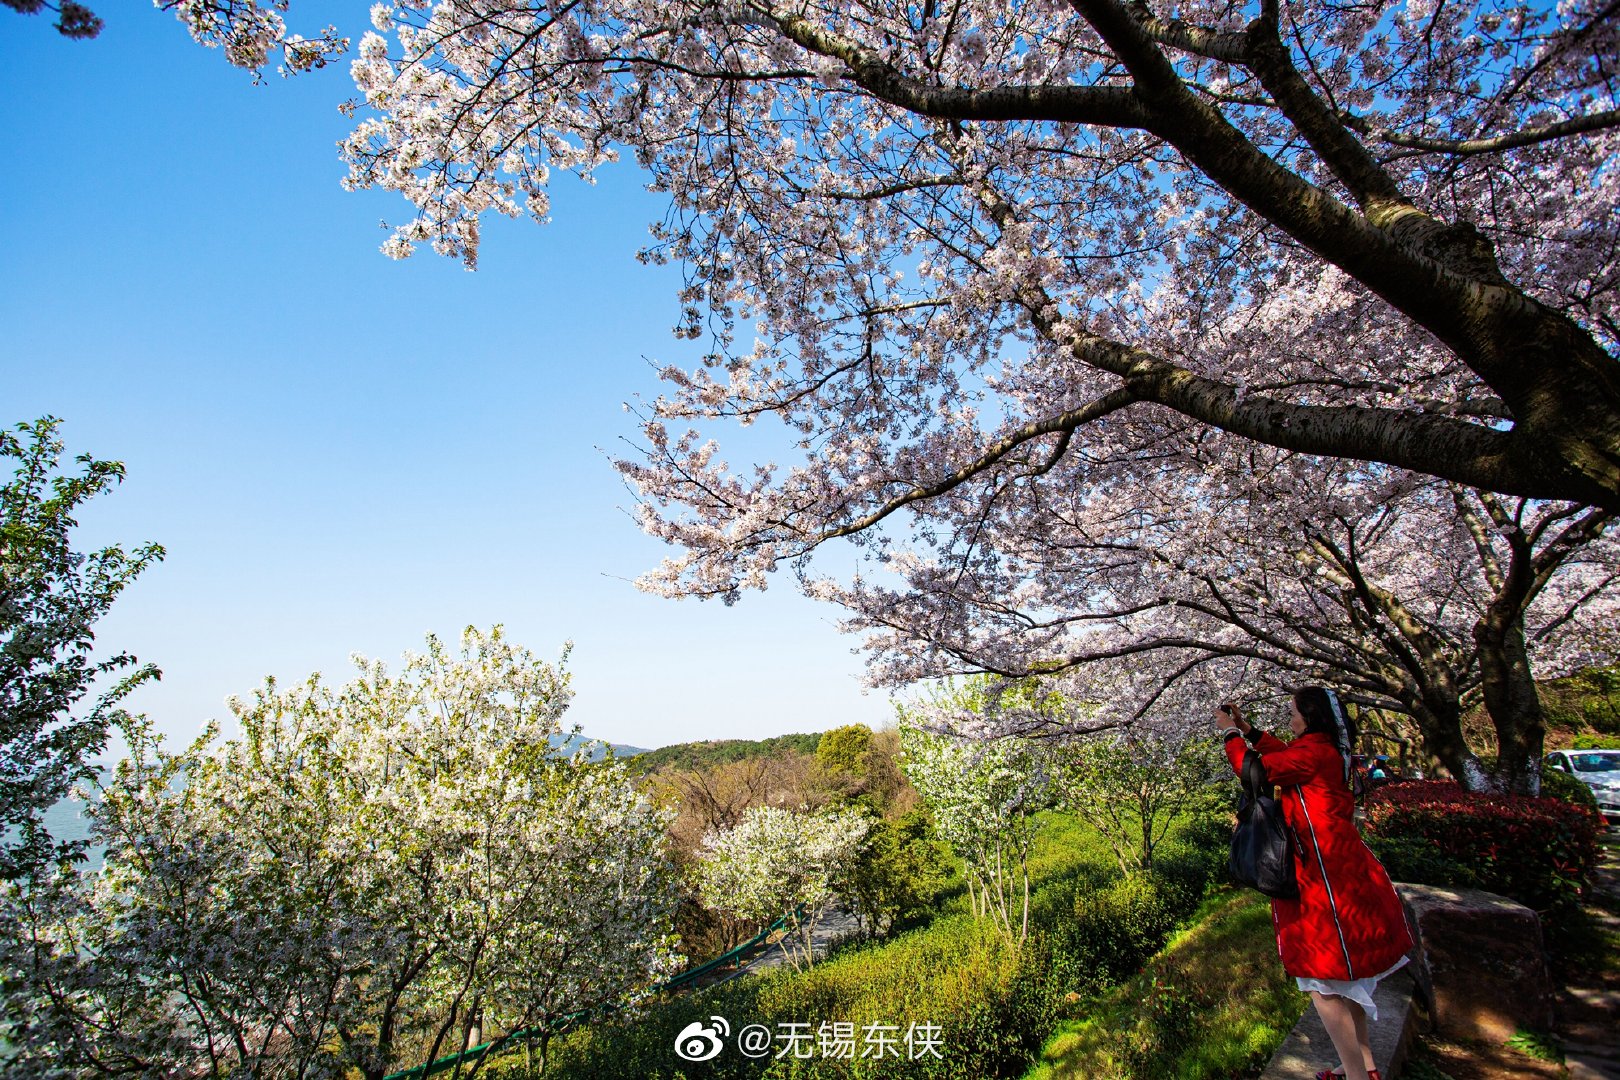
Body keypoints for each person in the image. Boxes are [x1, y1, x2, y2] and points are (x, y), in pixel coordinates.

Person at [1216, 689, 1414, 1080]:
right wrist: (1249, 730)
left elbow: (1254, 771)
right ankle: (1364, 1066)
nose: (1289, 719)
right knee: (1345, 978)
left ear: (1311, 716)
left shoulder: (1312, 755)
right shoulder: (1328, 750)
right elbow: (1285, 754)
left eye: (1293, 712)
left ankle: (1357, 1076)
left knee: (1322, 981)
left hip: (1322, 879)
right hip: (1342, 866)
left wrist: (1229, 734)